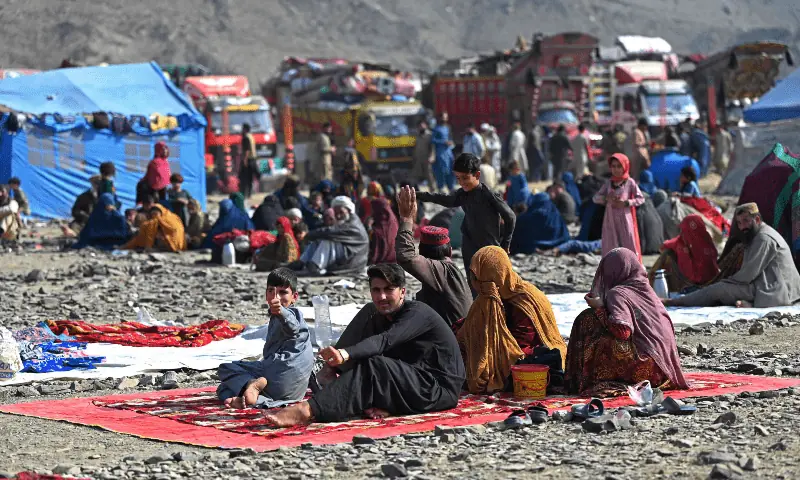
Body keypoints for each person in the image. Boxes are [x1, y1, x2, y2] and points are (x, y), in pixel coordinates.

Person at [263, 264, 465, 426]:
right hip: (409, 380)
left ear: (402, 292)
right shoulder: (380, 312)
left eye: (389, 290)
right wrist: (336, 363)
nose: (382, 296)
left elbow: (385, 340)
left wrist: (344, 353)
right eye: (376, 290)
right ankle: (332, 372)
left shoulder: (417, 313)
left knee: (376, 365)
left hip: (437, 389)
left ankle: (307, 410)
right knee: (370, 314)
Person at [564, 248, 689, 396]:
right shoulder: (643, 287)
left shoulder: (617, 293)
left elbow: (623, 332)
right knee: (588, 318)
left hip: (648, 366)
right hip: (664, 367)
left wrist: (599, 309)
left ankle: (585, 377)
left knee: (595, 335)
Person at [457, 246, 567, 394]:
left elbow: (521, 345)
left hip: (530, 355)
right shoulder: (488, 297)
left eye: (477, 277)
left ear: (494, 275)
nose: (473, 282)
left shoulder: (525, 301)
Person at [665, 203, 800, 308]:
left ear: (757, 219)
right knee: (722, 288)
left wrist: (725, 282)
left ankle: (675, 302)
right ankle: (750, 303)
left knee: (719, 289)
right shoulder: (758, 234)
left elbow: (748, 274)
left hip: (779, 290)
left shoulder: (764, 238)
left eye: (746, 220)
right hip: (772, 284)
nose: (742, 227)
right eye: (739, 223)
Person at [217, 268, 313, 408]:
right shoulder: (276, 316)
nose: (277, 298)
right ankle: (250, 399)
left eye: (283, 292)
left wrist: (282, 312)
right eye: (271, 291)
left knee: (226, 368)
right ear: (266, 294)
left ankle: (251, 386)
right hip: (294, 392)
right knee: (223, 389)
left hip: (279, 375)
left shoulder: (293, 314)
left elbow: (293, 328)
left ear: (295, 297)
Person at [416, 153, 516, 274]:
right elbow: (446, 200)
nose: (462, 182)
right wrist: (418, 195)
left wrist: (506, 243)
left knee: (491, 281)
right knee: (472, 279)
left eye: (465, 178)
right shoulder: (462, 194)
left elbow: (510, 216)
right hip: (469, 244)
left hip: (488, 245)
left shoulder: (488, 194)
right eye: (458, 178)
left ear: (477, 175)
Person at [395, 186, 471, 326]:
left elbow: (405, 256)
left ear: (422, 253)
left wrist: (407, 220)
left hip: (455, 343)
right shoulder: (449, 271)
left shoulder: (441, 271)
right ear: (449, 251)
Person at [294, 196, 369, 275]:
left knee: (328, 240)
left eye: (341, 212)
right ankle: (301, 263)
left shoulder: (354, 225)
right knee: (318, 240)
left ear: (349, 210)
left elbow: (331, 232)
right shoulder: (347, 221)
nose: (338, 216)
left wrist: (307, 234)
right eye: (336, 213)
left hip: (352, 261)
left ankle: (314, 267)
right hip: (346, 256)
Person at [593, 154, 645, 261]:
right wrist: (606, 198)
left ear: (625, 166)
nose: (616, 169)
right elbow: (595, 198)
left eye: (619, 166)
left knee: (629, 244)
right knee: (611, 245)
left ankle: (632, 271)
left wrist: (626, 203)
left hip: (625, 219)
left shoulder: (630, 182)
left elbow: (640, 199)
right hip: (610, 219)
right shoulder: (608, 183)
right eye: (613, 166)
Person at [648, 214, 720, 292]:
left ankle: (651, 284)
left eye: (684, 230)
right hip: (713, 280)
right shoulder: (706, 240)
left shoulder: (683, 246)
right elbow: (667, 244)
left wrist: (681, 250)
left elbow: (689, 274)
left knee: (668, 254)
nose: (682, 233)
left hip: (693, 285)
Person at [368, 197, 398, 265]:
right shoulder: (392, 218)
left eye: (373, 209)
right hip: (395, 257)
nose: (371, 211)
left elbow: (379, 234)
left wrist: (369, 228)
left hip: (383, 259)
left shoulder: (381, 224)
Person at [431, 112, 455, 192]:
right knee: (441, 170)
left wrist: (450, 142)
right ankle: (441, 187)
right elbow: (433, 140)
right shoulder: (436, 128)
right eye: (443, 117)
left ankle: (451, 187)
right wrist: (443, 142)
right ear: (440, 118)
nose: (444, 119)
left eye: (446, 117)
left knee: (451, 169)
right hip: (440, 153)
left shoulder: (448, 127)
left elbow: (450, 138)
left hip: (448, 152)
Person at [410, 120, 435, 188]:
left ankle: (432, 190)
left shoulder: (430, 135)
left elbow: (433, 147)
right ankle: (416, 191)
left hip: (427, 158)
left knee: (429, 175)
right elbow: (414, 147)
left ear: (426, 126)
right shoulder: (416, 135)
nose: (421, 127)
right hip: (418, 159)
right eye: (420, 126)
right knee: (415, 175)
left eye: (422, 125)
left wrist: (432, 157)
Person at [238, 123, 259, 199]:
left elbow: (247, 150)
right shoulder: (251, 137)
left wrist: (244, 160)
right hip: (253, 159)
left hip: (248, 160)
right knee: (250, 178)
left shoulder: (245, 138)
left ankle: (244, 194)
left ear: (245, 129)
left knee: (244, 178)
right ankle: (249, 194)